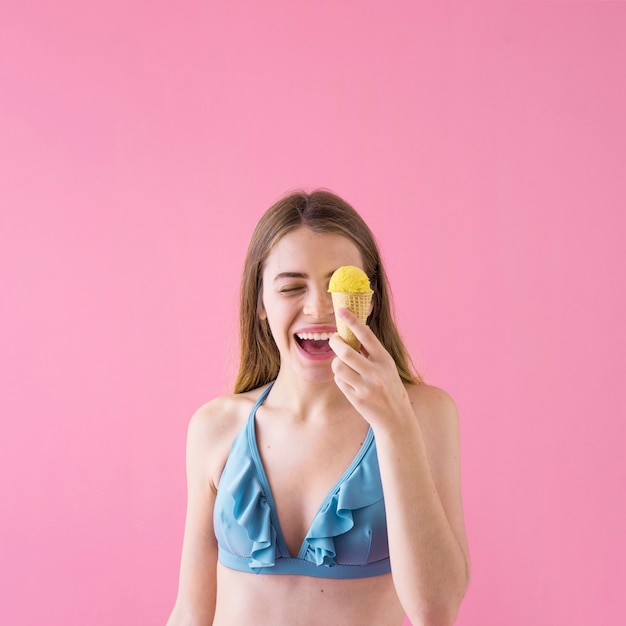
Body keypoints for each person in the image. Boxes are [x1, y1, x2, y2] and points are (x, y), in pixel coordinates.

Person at [167, 190, 470, 626]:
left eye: (338, 286)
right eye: (291, 287)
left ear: (370, 299)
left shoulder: (423, 415)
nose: (319, 308)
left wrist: (394, 426)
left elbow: (436, 610)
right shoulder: (216, 427)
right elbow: (190, 613)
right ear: (259, 305)